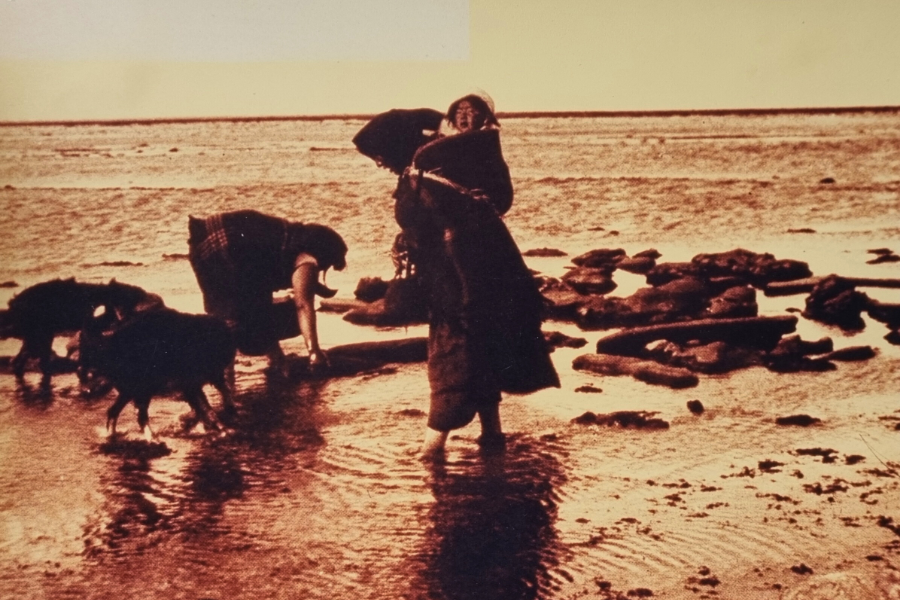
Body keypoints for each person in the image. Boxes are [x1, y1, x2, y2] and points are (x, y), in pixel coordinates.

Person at [389, 92, 560, 459]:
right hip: (478, 264)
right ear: (452, 117)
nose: (466, 118)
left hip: (464, 272)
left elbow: (498, 200)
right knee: (481, 343)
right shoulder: (437, 160)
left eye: (473, 112)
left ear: (485, 118)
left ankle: (431, 449)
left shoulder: (444, 168)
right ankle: (492, 433)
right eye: (460, 112)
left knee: (456, 351)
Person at [187, 209, 348, 378]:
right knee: (251, 310)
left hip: (201, 241)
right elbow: (303, 305)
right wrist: (314, 352)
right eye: (328, 265)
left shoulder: (287, 240)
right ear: (325, 252)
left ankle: (228, 372)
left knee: (226, 309)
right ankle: (267, 362)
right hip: (229, 242)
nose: (322, 269)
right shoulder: (307, 259)